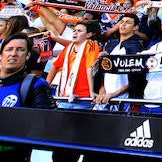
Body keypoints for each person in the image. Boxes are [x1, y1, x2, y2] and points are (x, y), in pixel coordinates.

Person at [0, 33, 56, 162]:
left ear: (28, 56)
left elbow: (48, 124)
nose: (13, 54)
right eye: (9, 49)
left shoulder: (35, 85)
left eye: (20, 50)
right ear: (1, 55)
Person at [95, 13, 146, 111]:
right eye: (121, 22)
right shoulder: (110, 45)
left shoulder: (137, 47)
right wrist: (102, 92)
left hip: (124, 100)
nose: (123, 25)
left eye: (127, 23)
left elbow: (136, 78)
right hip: (104, 98)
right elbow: (103, 72)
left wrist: (113, 94)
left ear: (135, 27)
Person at [47, 20, 103, 110]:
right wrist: (46, 85)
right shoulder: (69, 47)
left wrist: (91, 91)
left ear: (89, 35)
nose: (75, 32)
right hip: (65, 96)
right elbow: (55, 66)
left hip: (84, 98)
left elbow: (90, 68)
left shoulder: (92, 45)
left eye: (79, 31)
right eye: (74, 30)